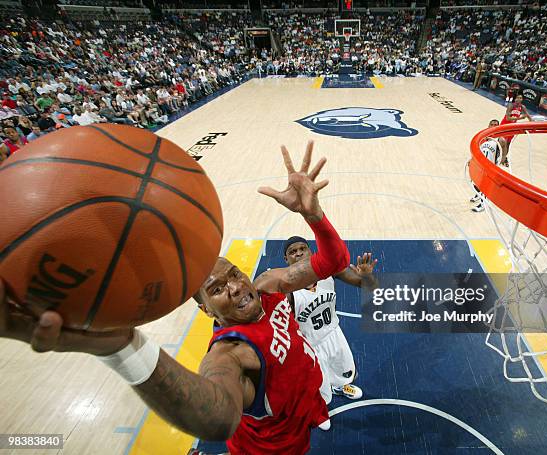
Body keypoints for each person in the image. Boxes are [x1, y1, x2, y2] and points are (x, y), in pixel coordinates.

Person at [0, 142, 349, 455]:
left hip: (303, 406)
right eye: (217, 289)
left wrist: (313, 215)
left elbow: (335, 262)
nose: (236, 287)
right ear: (204, 309)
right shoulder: (229, 353)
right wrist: (122, 348)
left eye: (234, 275)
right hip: (272, 448)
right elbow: (217, 418)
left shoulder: (268, 285)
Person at [283, 237, 377, 406]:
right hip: (310, 344)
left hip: (334, 334)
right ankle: (319, 409)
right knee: (319, 387)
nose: (298, 253)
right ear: (286, 259)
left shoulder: (327, 270)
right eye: (292, 252)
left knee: (344, 372)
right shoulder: (287, 290)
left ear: (310, 251)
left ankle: (339, 388)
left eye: (302, 248)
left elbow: (369, 286)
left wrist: (367, 277)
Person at [470, 119, 506, 213]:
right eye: (492, 124)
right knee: (476, 182)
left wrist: (500, 162)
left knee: (485, 185)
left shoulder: (500, 139)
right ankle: (478, 195)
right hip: (480, 164)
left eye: (496, 125)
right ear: (488, 125)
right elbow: (478, 150)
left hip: (490, 166)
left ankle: (483, 205)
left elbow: (504, 151)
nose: (493, 126)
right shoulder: (483, 137)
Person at [499, 93, 531, 167]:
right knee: (502, 143)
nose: (519, 99)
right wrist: (519, 118)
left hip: (512, 127)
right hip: (505, 125)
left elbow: (528, 116)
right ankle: (498, 156)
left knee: (508, 144)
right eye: (518, 98)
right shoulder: (511, 106)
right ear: (515, 98)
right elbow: (507, 118)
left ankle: (503, 159)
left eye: (520, 98)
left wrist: (533, 124)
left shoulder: (522, 107)